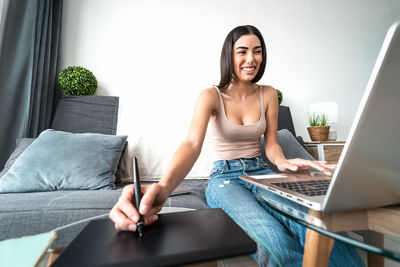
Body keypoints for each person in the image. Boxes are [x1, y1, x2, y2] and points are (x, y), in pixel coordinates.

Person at [109, 25, 364, 267]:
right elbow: (191, 144)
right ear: (229, 55)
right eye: (242, 51)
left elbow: (272, 144)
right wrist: (163, 187)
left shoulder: (268, 94)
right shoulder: (210, 96)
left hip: (263, 173)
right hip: (225, 178)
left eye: (257, 51)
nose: (251, 59)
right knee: (273, 239)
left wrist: (283, 162)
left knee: (315, 226)